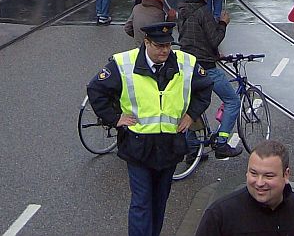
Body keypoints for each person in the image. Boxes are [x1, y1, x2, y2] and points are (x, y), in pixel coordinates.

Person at [87, 22, 213, 236]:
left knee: (159, 201)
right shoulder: (123, 63)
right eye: (158, 46)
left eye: (168, 46)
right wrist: (115, 118)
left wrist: (191, 115)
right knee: (142, 202)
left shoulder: (185, 63)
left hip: (169, 145)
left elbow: (205, 88)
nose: (165, 50)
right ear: (146, 43)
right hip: (138, 145)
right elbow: (96, 89)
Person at [195, 140, 294, 235]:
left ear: (286, 175)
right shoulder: (220, 215)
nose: (259, 183)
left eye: (268, 176)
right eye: (254, 173)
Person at [177, 0, 241, 158]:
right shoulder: (203, 11)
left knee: (189, 107)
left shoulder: (182, 10)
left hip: (186, 66)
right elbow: (214, 39)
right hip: (205, 67)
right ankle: (221, 143)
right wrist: (222, 23)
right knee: (232, 101)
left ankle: (192, 148)